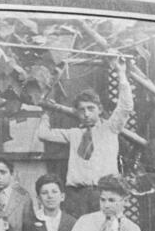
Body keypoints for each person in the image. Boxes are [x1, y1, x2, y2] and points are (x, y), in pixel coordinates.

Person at [36, 55, 133, 219]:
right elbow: (43, 134)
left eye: (91, 108)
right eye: (82, 110)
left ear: (99, 109)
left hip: (103, 194)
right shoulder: (74, 134)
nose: (86, 114)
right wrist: (46, 113)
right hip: (76, 196)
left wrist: (121, 73)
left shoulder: (110, 128)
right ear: (77, 112)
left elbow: (126, 106)